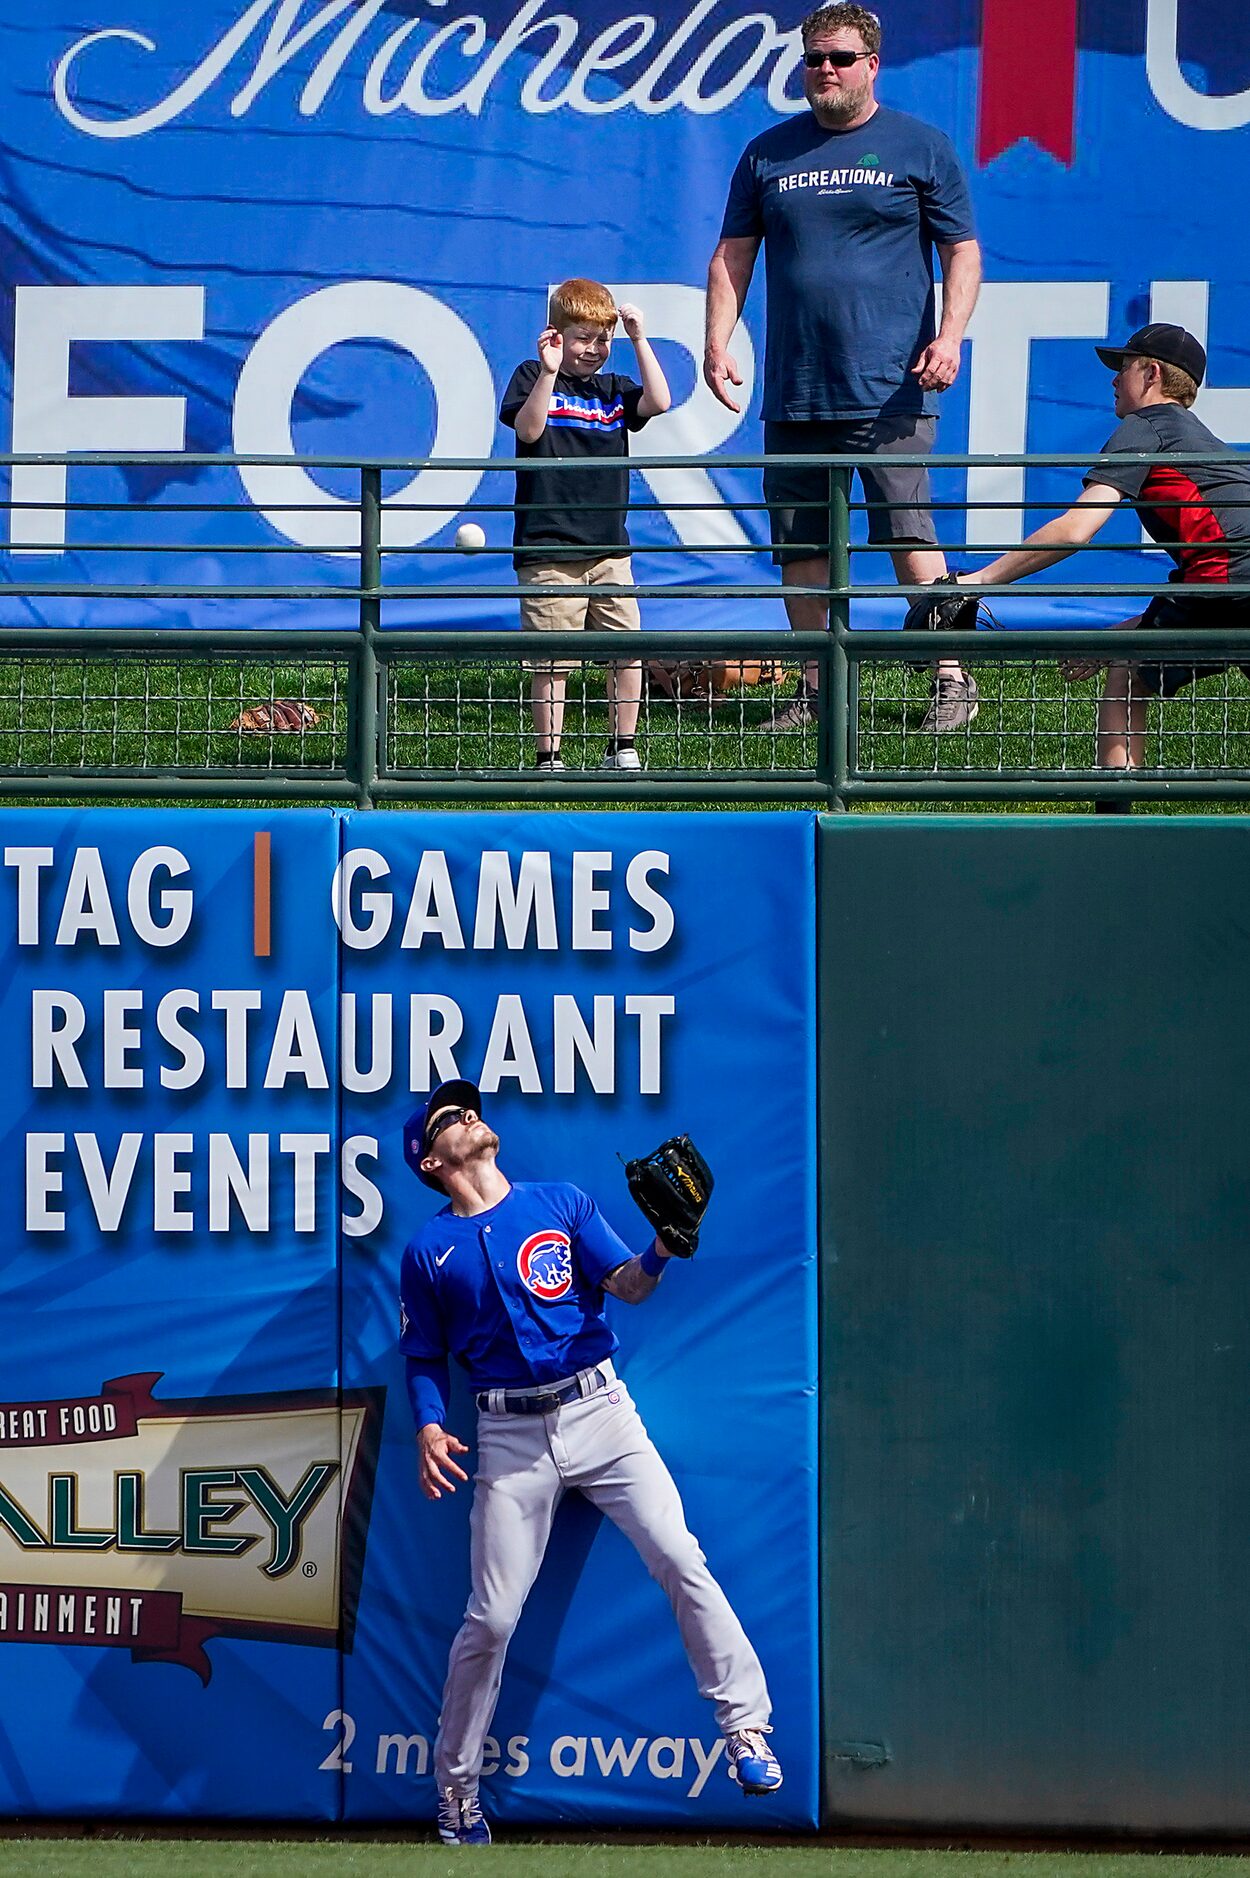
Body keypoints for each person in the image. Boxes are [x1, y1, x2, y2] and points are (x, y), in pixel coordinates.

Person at [398, 1079, 782, 1848]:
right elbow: (422, 1356)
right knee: (492, 1617)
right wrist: (431, 1427)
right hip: (506, 1436)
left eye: (469, 1108)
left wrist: (664, 1245)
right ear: (430, 1160)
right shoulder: (427, 1251)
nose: (468, 1116)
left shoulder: (561, 1202)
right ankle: (456, 1791)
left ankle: (745, 1728)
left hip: (600, 1411)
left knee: (680, 1555)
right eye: (449, 1117)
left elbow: (629, 1288)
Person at [704, 2, 982, 734]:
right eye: (814, 59)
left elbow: (962, 252)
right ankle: (818, 692)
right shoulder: (768, 153)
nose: (825, 70)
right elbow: (733, 256)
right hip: (796, 389)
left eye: (840, 58)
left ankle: (950, 680)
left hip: (892, 387)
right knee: (801, 550)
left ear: (871, 65)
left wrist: (950, 336)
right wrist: (716, 342)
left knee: (909, 538)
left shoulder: (919, 146)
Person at [951, 323, 1250, 809]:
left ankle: (1115, 826)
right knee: (1124, 652)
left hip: (1222, 584)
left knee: (1127, 670)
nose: (1113, 380)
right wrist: (1118, 636)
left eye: (1123, 368)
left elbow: (1075, 530)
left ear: (1151, 374)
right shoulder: (1208, 444)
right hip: (1226, 585)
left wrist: (974, 582)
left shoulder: (1146, 425)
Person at [500, 279, 671, 774]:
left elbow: (658, 402)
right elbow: (529, 430)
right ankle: (548, 756)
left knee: (626, 651)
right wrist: (549, 373)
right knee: (552, 662)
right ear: (554, 335)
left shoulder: (614, 390)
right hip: (549, 552)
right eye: (582, 338)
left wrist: (639, 339)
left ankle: (622, 746)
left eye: (603, 340)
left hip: (609, 551)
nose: (593, 350)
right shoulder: (532, 375)